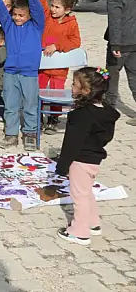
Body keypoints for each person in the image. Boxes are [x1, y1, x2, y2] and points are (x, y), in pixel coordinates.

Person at [55, 67, 119, 245]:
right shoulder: (105, 111)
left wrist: (62, 166)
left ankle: (79, 232)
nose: (71, 86)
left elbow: (72, 143)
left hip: (80, 160)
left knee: (79, 196)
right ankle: (93, 223)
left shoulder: (81, 115)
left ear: (86, 91)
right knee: (86, 192)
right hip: (95, 158)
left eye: (74, 84)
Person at [0, 0, 45, 151]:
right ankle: (11, 134)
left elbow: (37, 10)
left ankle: (30, 134)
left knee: (30, 104)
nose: (17, 18)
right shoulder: (9, 25)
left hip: (29, 73)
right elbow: (0, 10)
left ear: (29, 16)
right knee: (10, 105)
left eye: (21, 15)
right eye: (15, 14)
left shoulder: (37, 26)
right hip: (11, 72)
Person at [38, 0, 81, 134]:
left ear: (67, 10)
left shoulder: (71, 23)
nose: (53, 9)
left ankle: (53, 119)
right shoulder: (47, 17)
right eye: (53, 6)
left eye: (57, 7)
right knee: (38, 90)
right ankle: (38, 115)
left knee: (56, 93)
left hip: (59, 68)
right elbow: (42, 5)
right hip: (42, 65)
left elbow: (75, 41)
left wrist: (57, 46)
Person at [103, 0, 136, 124]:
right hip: (134, 43)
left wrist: (115, 45)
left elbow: (115, 22)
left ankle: (108, 112)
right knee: (134, 78)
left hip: (120, 45)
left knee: (111, 77)